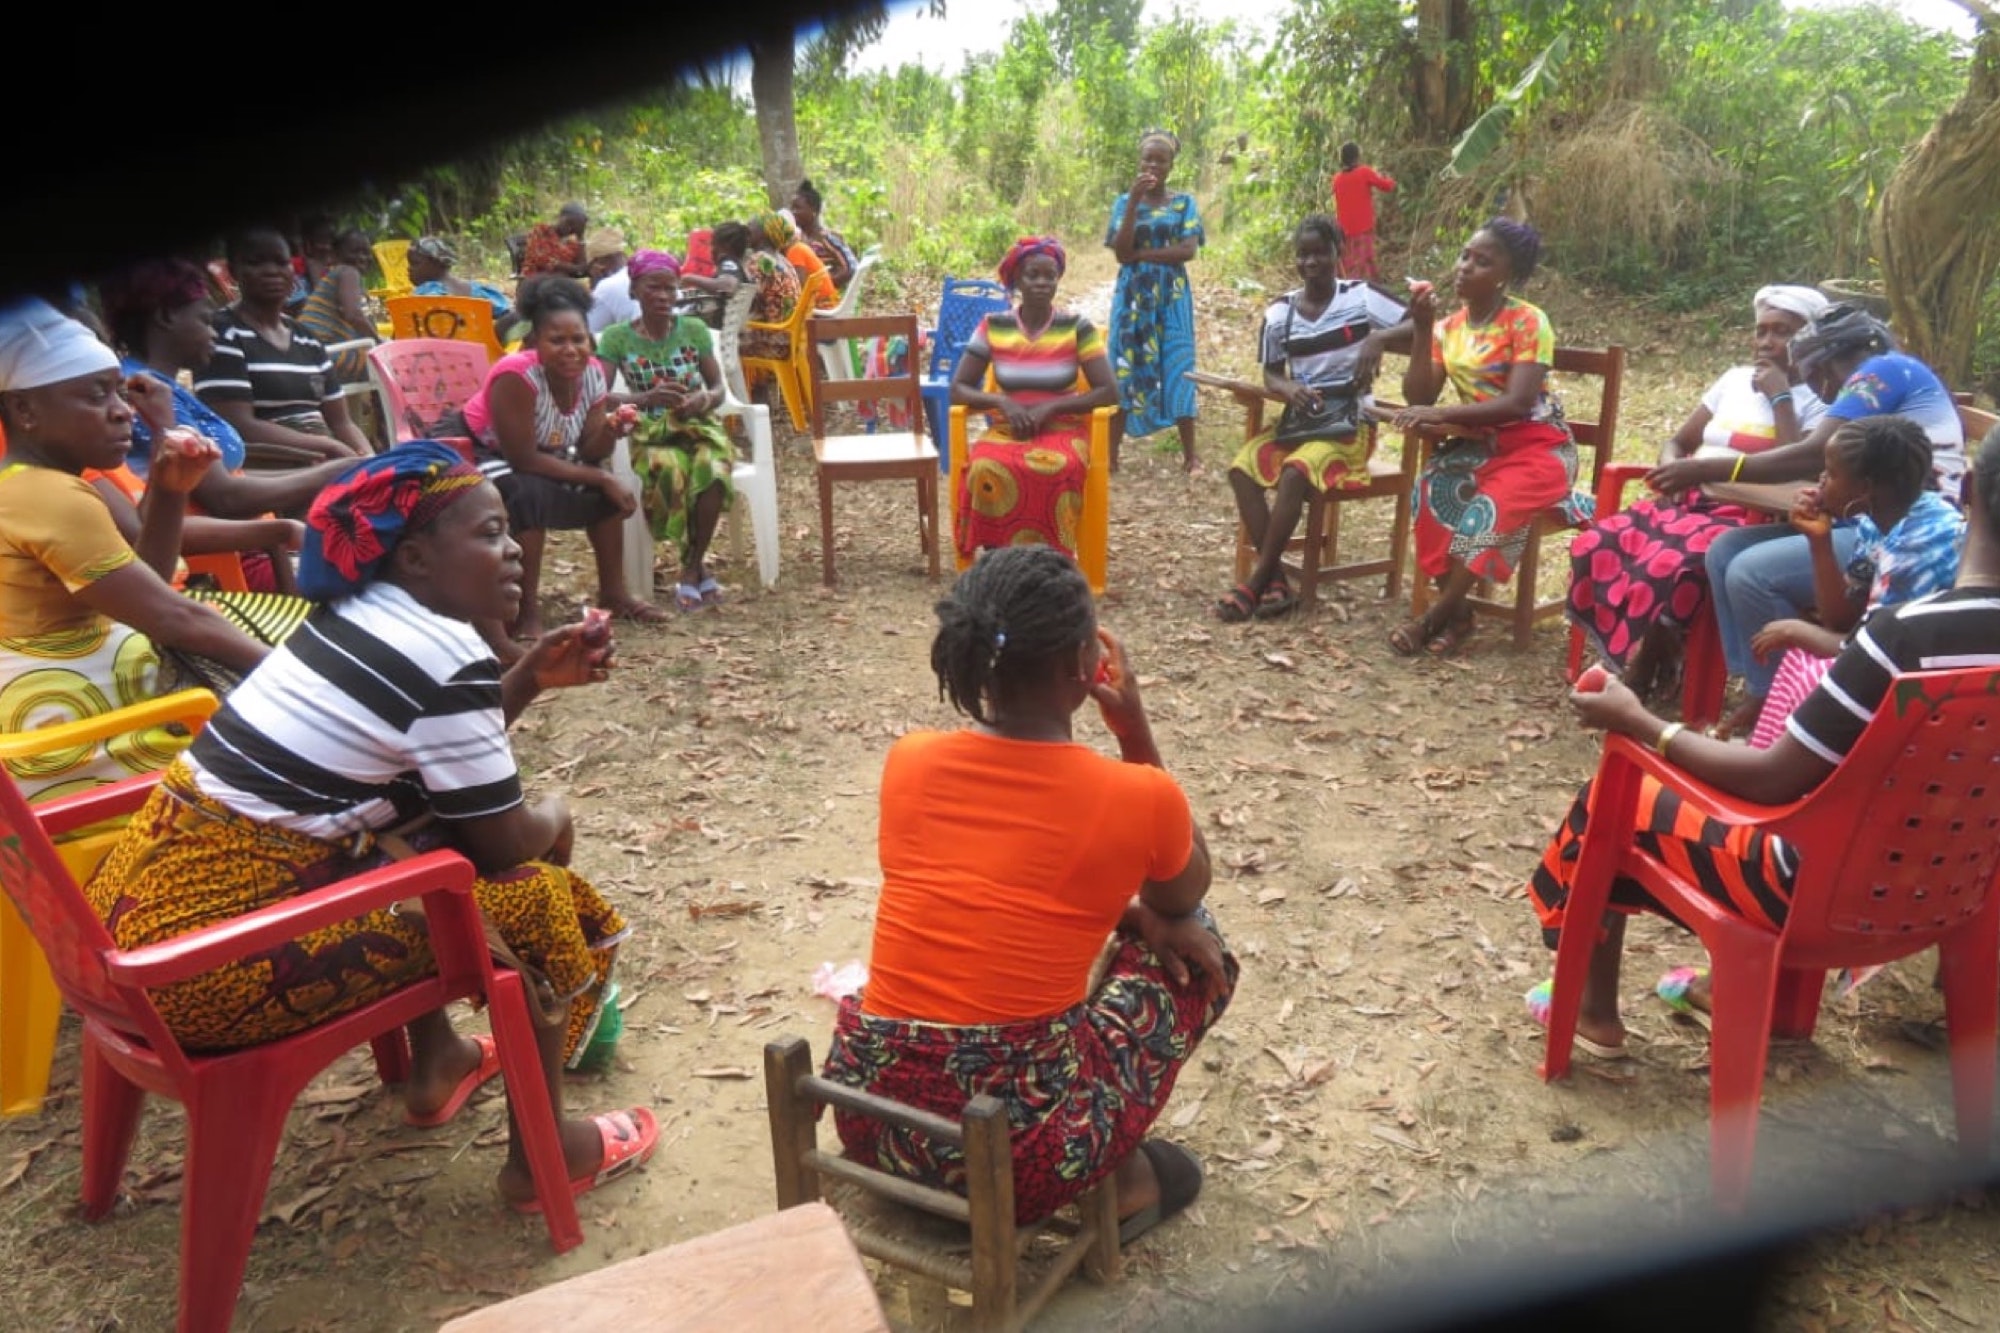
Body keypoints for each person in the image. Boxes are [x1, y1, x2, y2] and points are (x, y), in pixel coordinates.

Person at [85, 441, 658, 1209]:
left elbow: (416, 766)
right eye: (490, 535)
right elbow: (495, 842)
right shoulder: (443, 652)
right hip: (201, 975)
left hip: (123, 947)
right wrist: (554, 812)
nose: (516, 552)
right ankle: (545, 1153)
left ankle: (440, 1062)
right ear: (416, 558)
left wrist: (524, 676)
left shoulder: (347, 621)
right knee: (535, 895)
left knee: (411, 846)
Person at [1522, 422, 2000, 1053]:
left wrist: (1641, 723)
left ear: (1964, 488)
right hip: (1950, 894)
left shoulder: (1905, 635)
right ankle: (1754, 1003)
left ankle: (1591, 1007)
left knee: (1614, 796)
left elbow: (1773, 779)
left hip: (1816, 896)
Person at [822, 545, 1236, 1239]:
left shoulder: (910, 762)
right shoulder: (1134, 795)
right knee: (1203, 941)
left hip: (874, 1125)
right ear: (1086, 665)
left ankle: (937, 1188)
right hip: (1020, 1157)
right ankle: (1123, 1182)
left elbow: (1001, 898)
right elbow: (1184, 891)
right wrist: (1135, 730)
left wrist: (1130, 915)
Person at [1648, 304, 1965, 734]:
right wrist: (1817, 538)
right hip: (1869, 518)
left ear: (1825, 363)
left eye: (1811, 374)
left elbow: (1815, 451)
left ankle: (1790, 706)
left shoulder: (1883, 371)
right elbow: (1827, 462)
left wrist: (1706, 469)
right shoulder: (1882, 384)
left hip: (1902, 517)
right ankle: (1766, 689)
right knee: (1725, 550)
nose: (1815, 389)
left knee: (1752, 572)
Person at [0, 301, 271, 798]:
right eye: (95, 395)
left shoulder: (40, 485)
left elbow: (145, 587)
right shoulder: (46, 495)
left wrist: (168, 492)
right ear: (24, 410)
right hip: (81, 753)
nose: (122, 410)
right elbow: (173, 619)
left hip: (97, 732)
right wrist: (295, 673)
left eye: (120, 392)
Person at [1565, 285, 1830, 698]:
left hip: (1748, 513)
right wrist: (1671, 465)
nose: (1766, 342)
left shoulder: (1820, 397)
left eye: (1782, 332)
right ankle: (1662, 653)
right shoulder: (1734, 381)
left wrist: (1780, 396)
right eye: (1761, 331)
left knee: (1676, 564)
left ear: (1809, 338)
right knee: (1599, 542)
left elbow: (1793, 467)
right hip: (1688, 500)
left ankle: (1647, 662)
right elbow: (1679, 440)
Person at [1390, 218, 1577, 657]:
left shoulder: (1529, 321)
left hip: (1540, 449)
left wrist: (1441, 412)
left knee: (1488, 508)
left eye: (1481, 261)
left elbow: (1517, 402)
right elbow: (1419, 394)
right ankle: (1459, 617)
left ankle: (1433, 619)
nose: (1465, 267)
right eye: (1464, 256)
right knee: (1432, 491)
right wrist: (1422, 329)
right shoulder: (1449, 328)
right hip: (1479, 448)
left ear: (1504, 276)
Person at [1217, 214, 1408, 623]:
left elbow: (1420, 319)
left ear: (1338, 253)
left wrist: (1378, 337)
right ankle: (1279, 584)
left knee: (1294, 472)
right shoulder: (1279, 312)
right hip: (1301, 422)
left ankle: (1259, 580)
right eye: (1303, 254)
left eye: (1320, 252)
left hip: (1350, 427)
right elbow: (1271, 372)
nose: (1311, 262)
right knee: (1242, 469)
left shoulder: (1361, 298)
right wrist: (1288, 390)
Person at [460, 276, 662, 647]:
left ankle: (613, 595)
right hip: (482, 450)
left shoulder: (593, 374)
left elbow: (588, 449)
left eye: (578, 339)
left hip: (544, 453)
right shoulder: (516, 376)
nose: (570, 349)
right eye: (557, 340)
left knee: (604, 495)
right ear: (536, 343)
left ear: (591, 339)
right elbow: (521, 457)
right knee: (526, 495)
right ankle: (526, 611)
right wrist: (602, 478)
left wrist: (611, 430)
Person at [1743, 416, 1961, 747]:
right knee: (1801, 658)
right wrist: (1819, 543)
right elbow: (1842, 619)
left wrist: (1797, 630)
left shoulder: (1917, 547)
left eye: (1831, 474)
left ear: (1866, 488)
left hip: (1933, 695)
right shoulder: (1880, 520)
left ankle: (1794, 775)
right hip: (1896, 665)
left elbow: (1875, 653)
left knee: (1815, 670)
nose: (1820, 481)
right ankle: (1772, 757)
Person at [100, 258, 356, 524]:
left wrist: (322, 473)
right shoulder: (147, 396)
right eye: (204, 321)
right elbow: (224, 497)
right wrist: (331, 473)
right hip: (216, 553)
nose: (213, 334)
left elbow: (231, 478)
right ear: (166, 317)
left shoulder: (164, 389)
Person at [949, 237, 1118, 567]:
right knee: (986, 466)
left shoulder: (1076, 327)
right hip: (1009, 428)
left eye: (1049, 276)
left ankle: (1051, 563)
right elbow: (959, 388)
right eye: (1032, 275)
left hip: (1062, 428)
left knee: (1061, 466)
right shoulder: (993, 326)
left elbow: (1109, 392)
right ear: (1017, 281)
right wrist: (1002, 402)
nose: (1042, 283)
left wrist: (1052, 407)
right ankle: (997, 561)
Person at [596, 251, 735, 611]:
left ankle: (690, 569)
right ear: (634, 291)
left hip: (697, 423)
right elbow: (599, 396)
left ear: (678, 293)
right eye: (652, 287)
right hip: (649, 431)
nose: (662, 296)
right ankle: (697, 566)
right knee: (672, 470)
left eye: (669, 288)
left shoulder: (694, 330)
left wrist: (702, 400)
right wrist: (646, 398)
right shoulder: (616, 338)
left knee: (713, 469)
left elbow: (719, 387)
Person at [195, 227, 372, 463]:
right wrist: (328, 447)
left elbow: (341, 422)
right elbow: (238, 426)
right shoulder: (223, 333)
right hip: (269, 472)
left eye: (281, 262)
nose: (272, 271)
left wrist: (369, 460)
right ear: (233, 271)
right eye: (256, 262)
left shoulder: (306, 339)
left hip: (326, 464)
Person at [1106, 129, 1205, 473]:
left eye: (1160, 160)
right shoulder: (1124, 202)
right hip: (1132, 297)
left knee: (1177, 364)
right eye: (1147, 158)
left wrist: (1143, 254)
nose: (1153, 165)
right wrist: (1133, 204)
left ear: (1171, 165)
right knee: (1123, 367)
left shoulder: (1184, 203)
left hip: (1171, 297)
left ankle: (1191, 456)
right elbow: (1121, 253)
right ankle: (1111, 457)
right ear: (1140, 161)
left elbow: (1188, 250)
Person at [296, 227, 380, 383]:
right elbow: (353, 315)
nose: (362, 257)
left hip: (307, 353)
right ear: (334, 256)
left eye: (366, 252)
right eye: (355, 252)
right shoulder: (348, 272)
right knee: (387, 366)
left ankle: (359, 407)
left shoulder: (334, 276)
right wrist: (379, 342)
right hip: (325, 354)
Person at [407, 236, 515, 329]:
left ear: (436, 263)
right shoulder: (481, 292)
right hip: (481, 351)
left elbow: (401, 334)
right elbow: (509, 315)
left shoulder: (425, 294)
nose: (409, 269)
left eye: (414, 263)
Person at [1328, 141, 1396, 282]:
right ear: (1357, 157)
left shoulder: (1336, 179)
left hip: (1344, 230)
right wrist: (1391, 179)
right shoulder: (1364, 172)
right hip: (1363, 227)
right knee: (1366, 260)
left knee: (1349, 263)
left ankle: (1350, 287)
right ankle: (1369, 287)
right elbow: (1386, 186)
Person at [738, 220, 804, 362]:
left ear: (764, 234)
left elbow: (744, 302)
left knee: (719, 343)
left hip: (773, 343)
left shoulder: (759, 261)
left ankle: (744, 384)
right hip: (790, 337)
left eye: (750, 227)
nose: (745, 231)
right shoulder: (782, 260)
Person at [754, 211, 835, 310]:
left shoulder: (795, 252)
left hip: (822, 306)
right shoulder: (789, 254)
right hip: (821, 304)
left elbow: (799, 291)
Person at [789, 179, 857, 291]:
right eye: (792, 208)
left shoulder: (828, 238)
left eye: (798, 208)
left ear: (813, 210)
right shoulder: (797, 239)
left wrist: (824, 283)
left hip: (821, 298)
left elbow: (851, 267)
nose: (793, 212)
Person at [585, 228, 637, 335]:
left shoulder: (607, 286)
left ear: (597, 262)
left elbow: (589, 332)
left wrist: (595, 285)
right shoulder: (641, 274)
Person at [520, 202, 590, 280]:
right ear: (560, 217)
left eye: (575, 226)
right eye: (569, 223)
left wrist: (580, 237)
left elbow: (582, 269)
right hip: (534, 281)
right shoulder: (541, 231)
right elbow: (543, 260)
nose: (570, 228)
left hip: (559, 284)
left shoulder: (572, 244)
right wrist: (571, 267)